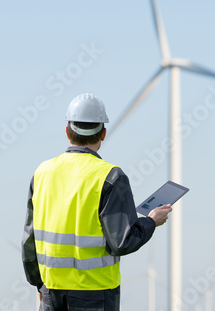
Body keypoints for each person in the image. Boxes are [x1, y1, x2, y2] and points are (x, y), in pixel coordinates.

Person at [21, 93, 172, 311]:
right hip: (95, 294)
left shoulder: (42, 172)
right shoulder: (111, 177)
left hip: (50, 291)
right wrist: (151, 221)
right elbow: (123, 242)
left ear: (67, 131)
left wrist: (38, 283)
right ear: (103, 134)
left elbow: (29, 238)